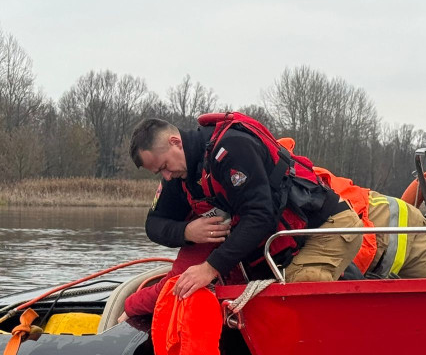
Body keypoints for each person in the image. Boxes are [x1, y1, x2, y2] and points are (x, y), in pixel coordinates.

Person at [129, 116, 363, 298]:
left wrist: (210, 268)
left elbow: (260, 217)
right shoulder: (180, 176)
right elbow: (153, 224)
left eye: (165, 167)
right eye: (160, 172)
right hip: (280, 245)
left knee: (294, 290)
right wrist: (186, 232)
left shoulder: (231, 149)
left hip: (325, 228)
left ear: (175, 142)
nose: (167, 177)